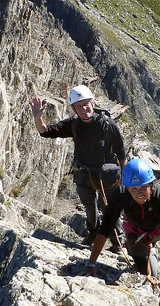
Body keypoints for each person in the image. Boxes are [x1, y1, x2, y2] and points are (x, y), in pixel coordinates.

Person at [30, 85, 127, 249]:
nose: (84, 109)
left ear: (93, 103)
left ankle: (118, 241)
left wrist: (124, 176)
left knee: (109, 209)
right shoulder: (73, 124)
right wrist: (38, 117)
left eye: (86, 104)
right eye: (79, 106)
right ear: (74, 109)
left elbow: (121, 151)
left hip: (107, 176)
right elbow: (45, 132)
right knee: (89, 206)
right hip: (84, 174)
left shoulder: (107, 125)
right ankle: (93, 233)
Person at [84, 158, 160, 298]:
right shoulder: (120, 195)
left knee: (147, 257)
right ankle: (144, 255)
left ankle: (150, 246)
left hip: (157, 231)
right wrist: (91, 263)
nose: (139, 193)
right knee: (145, 273)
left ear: (151, 184)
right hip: (135, 231)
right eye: (134, 189)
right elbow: (105, 228)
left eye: (143, 187)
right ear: (127, 188)